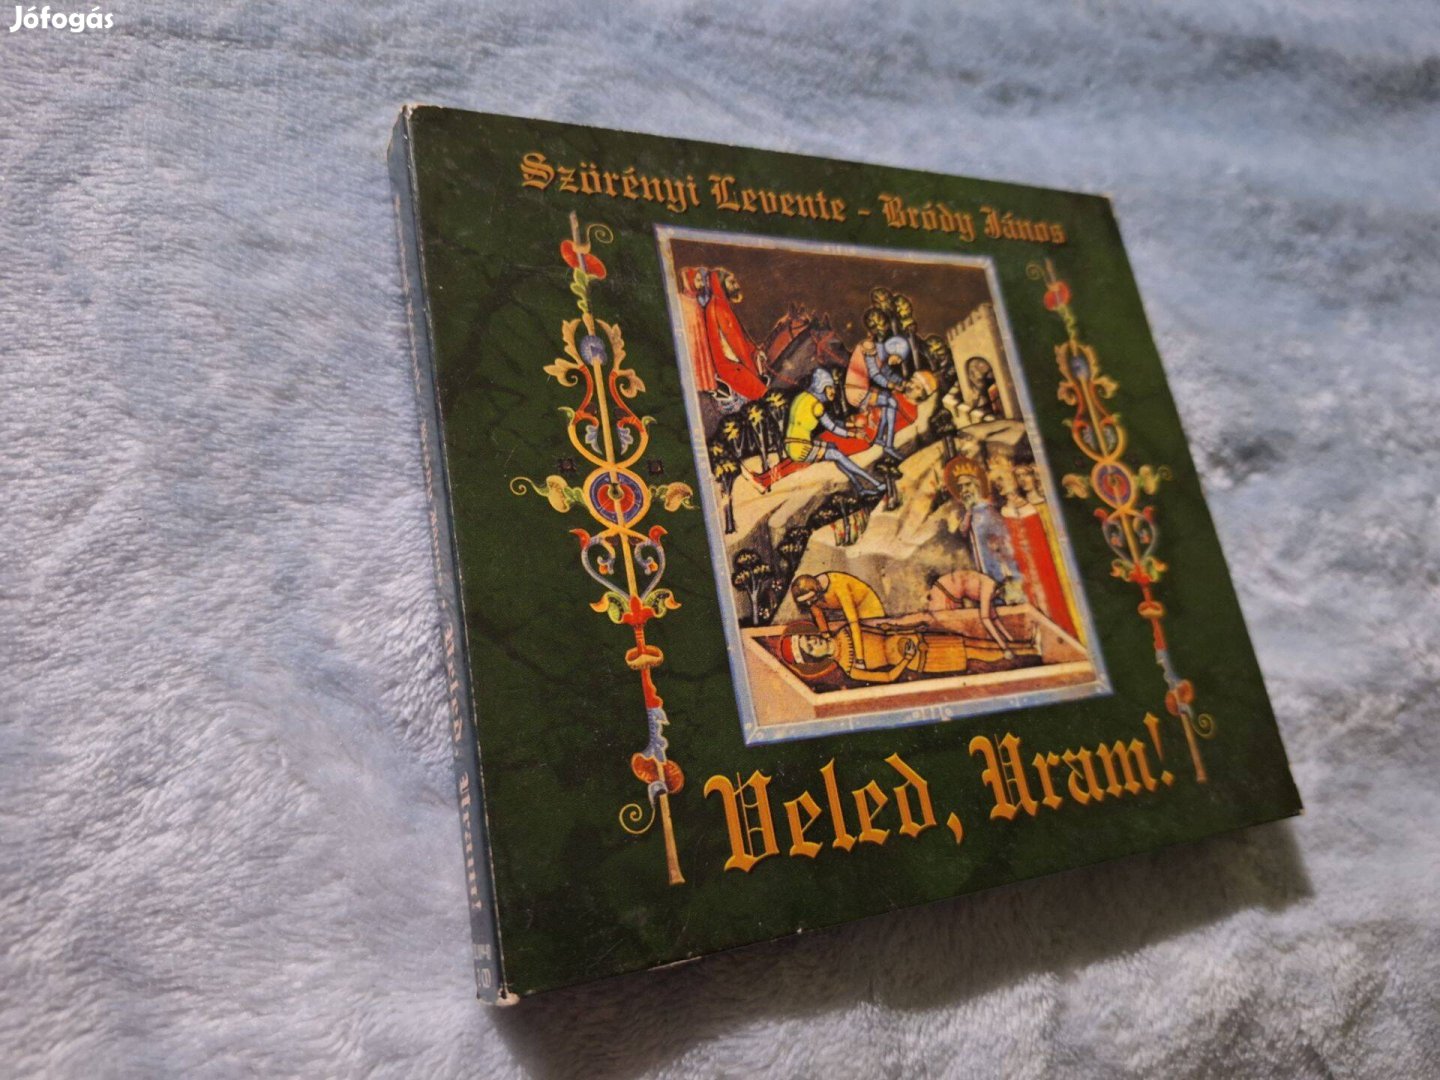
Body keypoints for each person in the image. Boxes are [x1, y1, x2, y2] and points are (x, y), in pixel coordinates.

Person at [784, 368, 883, 494]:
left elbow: (830, 422)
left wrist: (851, 424)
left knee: (834, 449)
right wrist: (853, 434)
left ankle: (859, 487)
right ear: (820, 386)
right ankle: (875, 483)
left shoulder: (802, 398)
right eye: (829, 387)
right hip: (801, 448)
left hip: (793, 444)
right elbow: (832, 427)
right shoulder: (817, 406)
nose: (833, 391)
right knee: (837, 455)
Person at [791, 571, 886, 670]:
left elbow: (853, 622)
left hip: (868, 607)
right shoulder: (811, 597)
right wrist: (826, 635)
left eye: (811, 598)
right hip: (847, 613)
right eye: (805, 602)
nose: (809, 603)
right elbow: (819, 616)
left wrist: (859, 659)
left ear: (817, 589)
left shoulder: (838, 584)